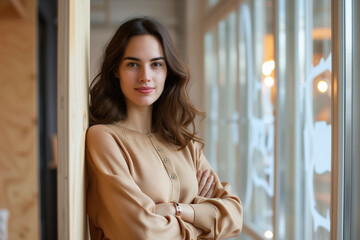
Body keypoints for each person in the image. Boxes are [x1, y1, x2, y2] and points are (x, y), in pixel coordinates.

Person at [86, 16, 243, 240]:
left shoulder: (184, 143)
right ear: (116, 70)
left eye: (156, 64)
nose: (145, 77)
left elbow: (234, 216)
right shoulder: (103, 138)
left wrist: (179, 210)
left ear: (167, 71)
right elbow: (142, 232)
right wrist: (203, 219)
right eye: (132, 64)